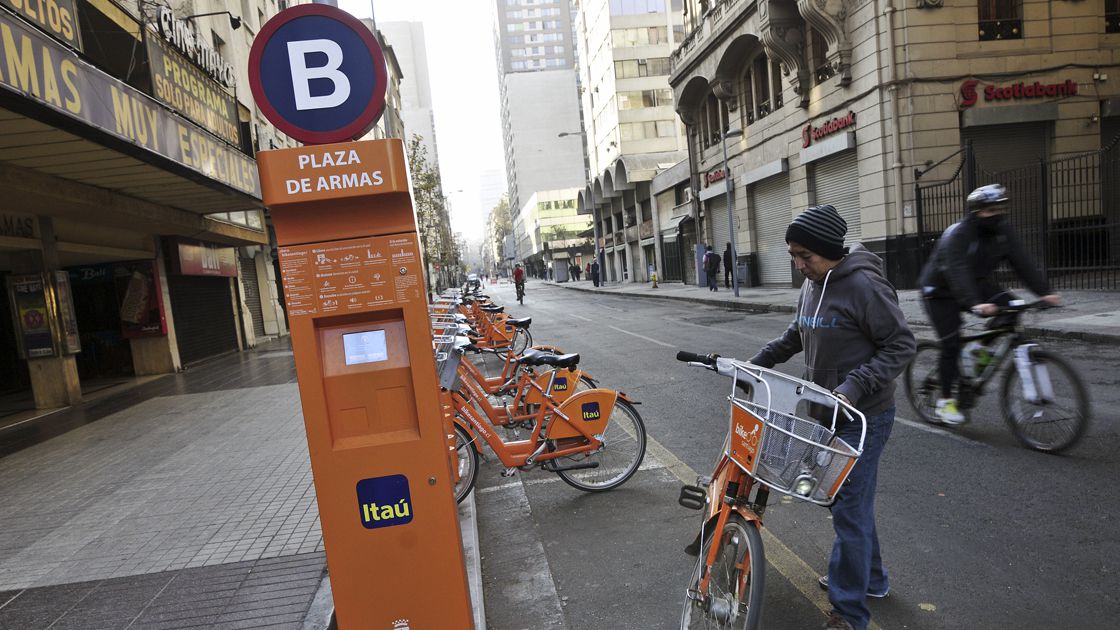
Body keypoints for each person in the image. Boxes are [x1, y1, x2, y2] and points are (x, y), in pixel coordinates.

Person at [748, 204, 915, 630]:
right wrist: (757, 363)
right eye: (793, 255)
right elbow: (799, 332)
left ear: (830, 251)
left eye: (805, 255)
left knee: (849, 511)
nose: (798, 264)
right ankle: (872, 579)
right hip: (825, 411)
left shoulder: (864, 286)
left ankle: (849, 614)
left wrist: (856, 385)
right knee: (849, 504)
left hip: (863, 417)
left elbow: (900, 345)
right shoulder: (814, 283)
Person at [918, 183, 1060, 424]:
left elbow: (1022, 262)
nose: (996, 215)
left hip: (977, 284)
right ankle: (944, 402)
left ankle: (978, 353)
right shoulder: (960, 234)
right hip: (939, 291)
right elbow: (957, 270)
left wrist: (1044, 292)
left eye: (999, 209)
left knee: (1012, 307)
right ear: (975, 212)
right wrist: (975, 303)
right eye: (989, 210)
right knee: (951, 344)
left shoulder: (1003, 232)